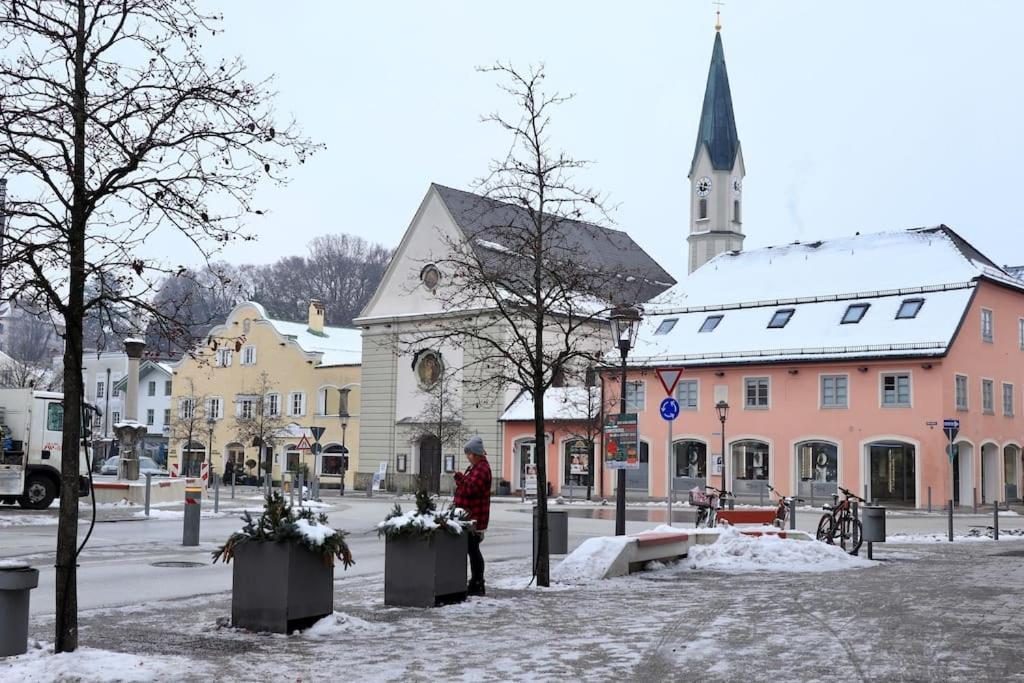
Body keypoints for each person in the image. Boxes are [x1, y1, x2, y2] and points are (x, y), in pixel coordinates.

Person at [454, 435, 492, 596]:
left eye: (469, 454)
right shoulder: (476, 467)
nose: (468, 457)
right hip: (470, 516)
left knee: (473, 549)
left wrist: (460, 478)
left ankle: (477, 582)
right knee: (472, 549)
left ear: (476, 454)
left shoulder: (482, 469)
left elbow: (471, 490)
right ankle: (476, 582)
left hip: (475, 517)